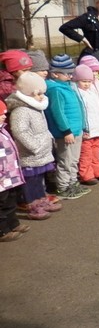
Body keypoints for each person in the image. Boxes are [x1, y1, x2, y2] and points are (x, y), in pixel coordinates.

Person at [6, 72, 60, 221]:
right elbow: (20, 131)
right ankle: (33, 205)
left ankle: (42, 200)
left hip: (41, 151)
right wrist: (34, 146)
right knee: (31, 181)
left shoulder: (35, 106)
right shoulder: (21, 110)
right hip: (31, 153)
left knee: (39, 179)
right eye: (38, 94)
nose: (42, 97)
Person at [44, 54, 90, 200]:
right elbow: (58, 112)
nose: (70, 76)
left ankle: (73, 183)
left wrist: (83, 127)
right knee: (65, 160)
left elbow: (79, 107)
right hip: (66, 133)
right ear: (55, 74)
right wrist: (66, 131)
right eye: (67, 74)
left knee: (74, 159)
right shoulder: (55, 89)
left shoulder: (68, 86)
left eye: (71, 73)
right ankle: (63, 187)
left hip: (76, 130)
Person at [73, 64, 99, 185]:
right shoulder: (78, 94)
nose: (87, 84)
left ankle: (98, 171)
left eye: (89, 81)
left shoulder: (92, 92)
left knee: (95, 152)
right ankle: (86, 175)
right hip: (87, 130)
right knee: (86, 154)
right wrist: (83, 129)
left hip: (96, 128)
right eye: (84, 81)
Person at [0, 99, 30, 242]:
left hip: (10, 175)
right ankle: (3, 230)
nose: (4, 116)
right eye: (1, 114)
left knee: (10, 201)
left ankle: (13, 223)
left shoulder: (3, 130)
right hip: (1, 178)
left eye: (4, 113)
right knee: (1, 204)